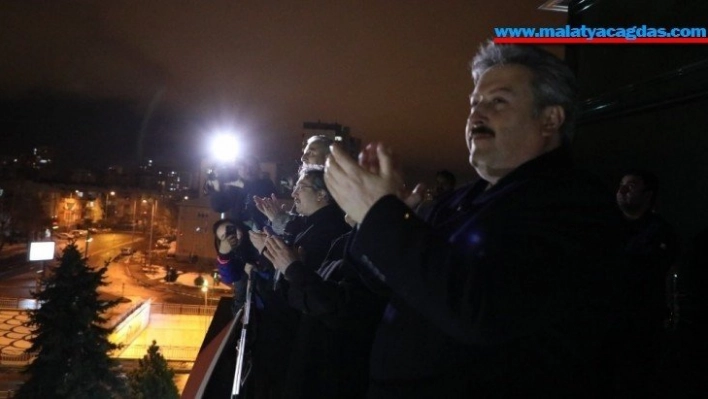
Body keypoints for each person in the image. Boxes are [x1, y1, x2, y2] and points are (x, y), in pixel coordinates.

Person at [324, 42, 629, 397]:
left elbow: (484, 311)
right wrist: (375, 219)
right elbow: (405, 285)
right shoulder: (459, 200)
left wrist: (384, 218)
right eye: (474, 103)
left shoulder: (574, 204)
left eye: (498, 101)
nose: (476, 115)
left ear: (550, 119)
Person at [263, 214, 387, 399]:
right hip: (311, 359)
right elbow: (303, 299)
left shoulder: (378, 244)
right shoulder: (344, 241)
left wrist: (294, 269)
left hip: (337, 372)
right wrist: (293, 270)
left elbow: (342, 309)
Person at [615, 169, 678, 395]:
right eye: (621, 185)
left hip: (641, 325)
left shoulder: (660, 232)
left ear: (647, 195)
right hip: (607, 323)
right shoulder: (604, 227)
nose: (622, 190)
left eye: (631, 186)